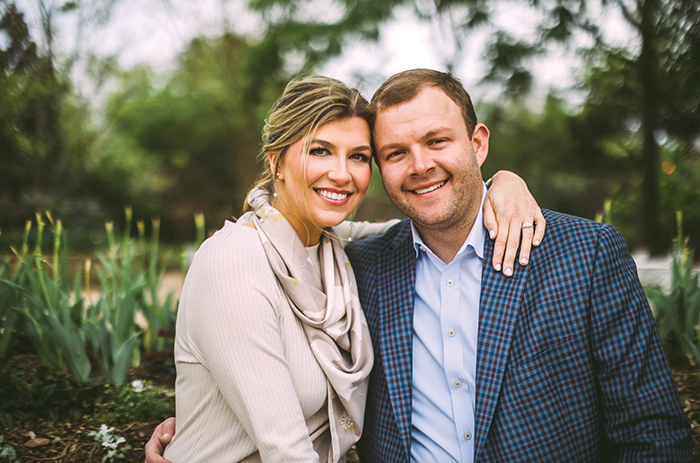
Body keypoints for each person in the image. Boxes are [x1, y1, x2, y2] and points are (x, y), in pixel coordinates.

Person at [146, 74, 545, 463]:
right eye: (320, 151)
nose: (341, 174)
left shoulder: (333, 246)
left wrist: (504, 185)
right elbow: (287, 453)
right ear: (276, 161)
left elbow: (438, 222)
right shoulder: (234, 261)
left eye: (358, 157)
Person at [345, 69, 692, 462]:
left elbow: (651, 431)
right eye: (396, 153)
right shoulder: (361, 267)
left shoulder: (585, 254)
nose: (420, 165)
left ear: (477, 144)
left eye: (437, 141)